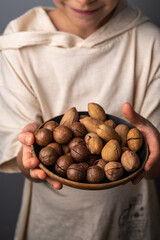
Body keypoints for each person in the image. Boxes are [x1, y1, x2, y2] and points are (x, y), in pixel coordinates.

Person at [0, 0, 160, 239]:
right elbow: (19, 154)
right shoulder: (19, 41)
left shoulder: (151, 43)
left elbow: (154, 166)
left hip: (127, 217)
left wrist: (155, 149)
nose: (83, 0)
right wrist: (29, 153)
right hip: (52, 222)